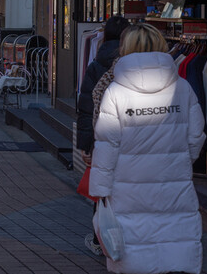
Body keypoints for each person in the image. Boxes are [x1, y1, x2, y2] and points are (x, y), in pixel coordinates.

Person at [90, 23, 205, 274]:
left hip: (127, 187)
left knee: (135, 249)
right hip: (174, 184)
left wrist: (100, 191)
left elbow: (106, 147)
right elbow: (196, 136)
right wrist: (178, 161)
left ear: (125, 48)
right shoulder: (182, 88)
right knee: (174, 243)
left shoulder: (116, 92)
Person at [76, 16, 130, 255]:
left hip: (103, 134)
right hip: (132, 134)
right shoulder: (132, 62)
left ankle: (101, 237)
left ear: (105, 35)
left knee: (102, 187)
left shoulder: (97, 63)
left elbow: (86, 106)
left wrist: (86, 145)